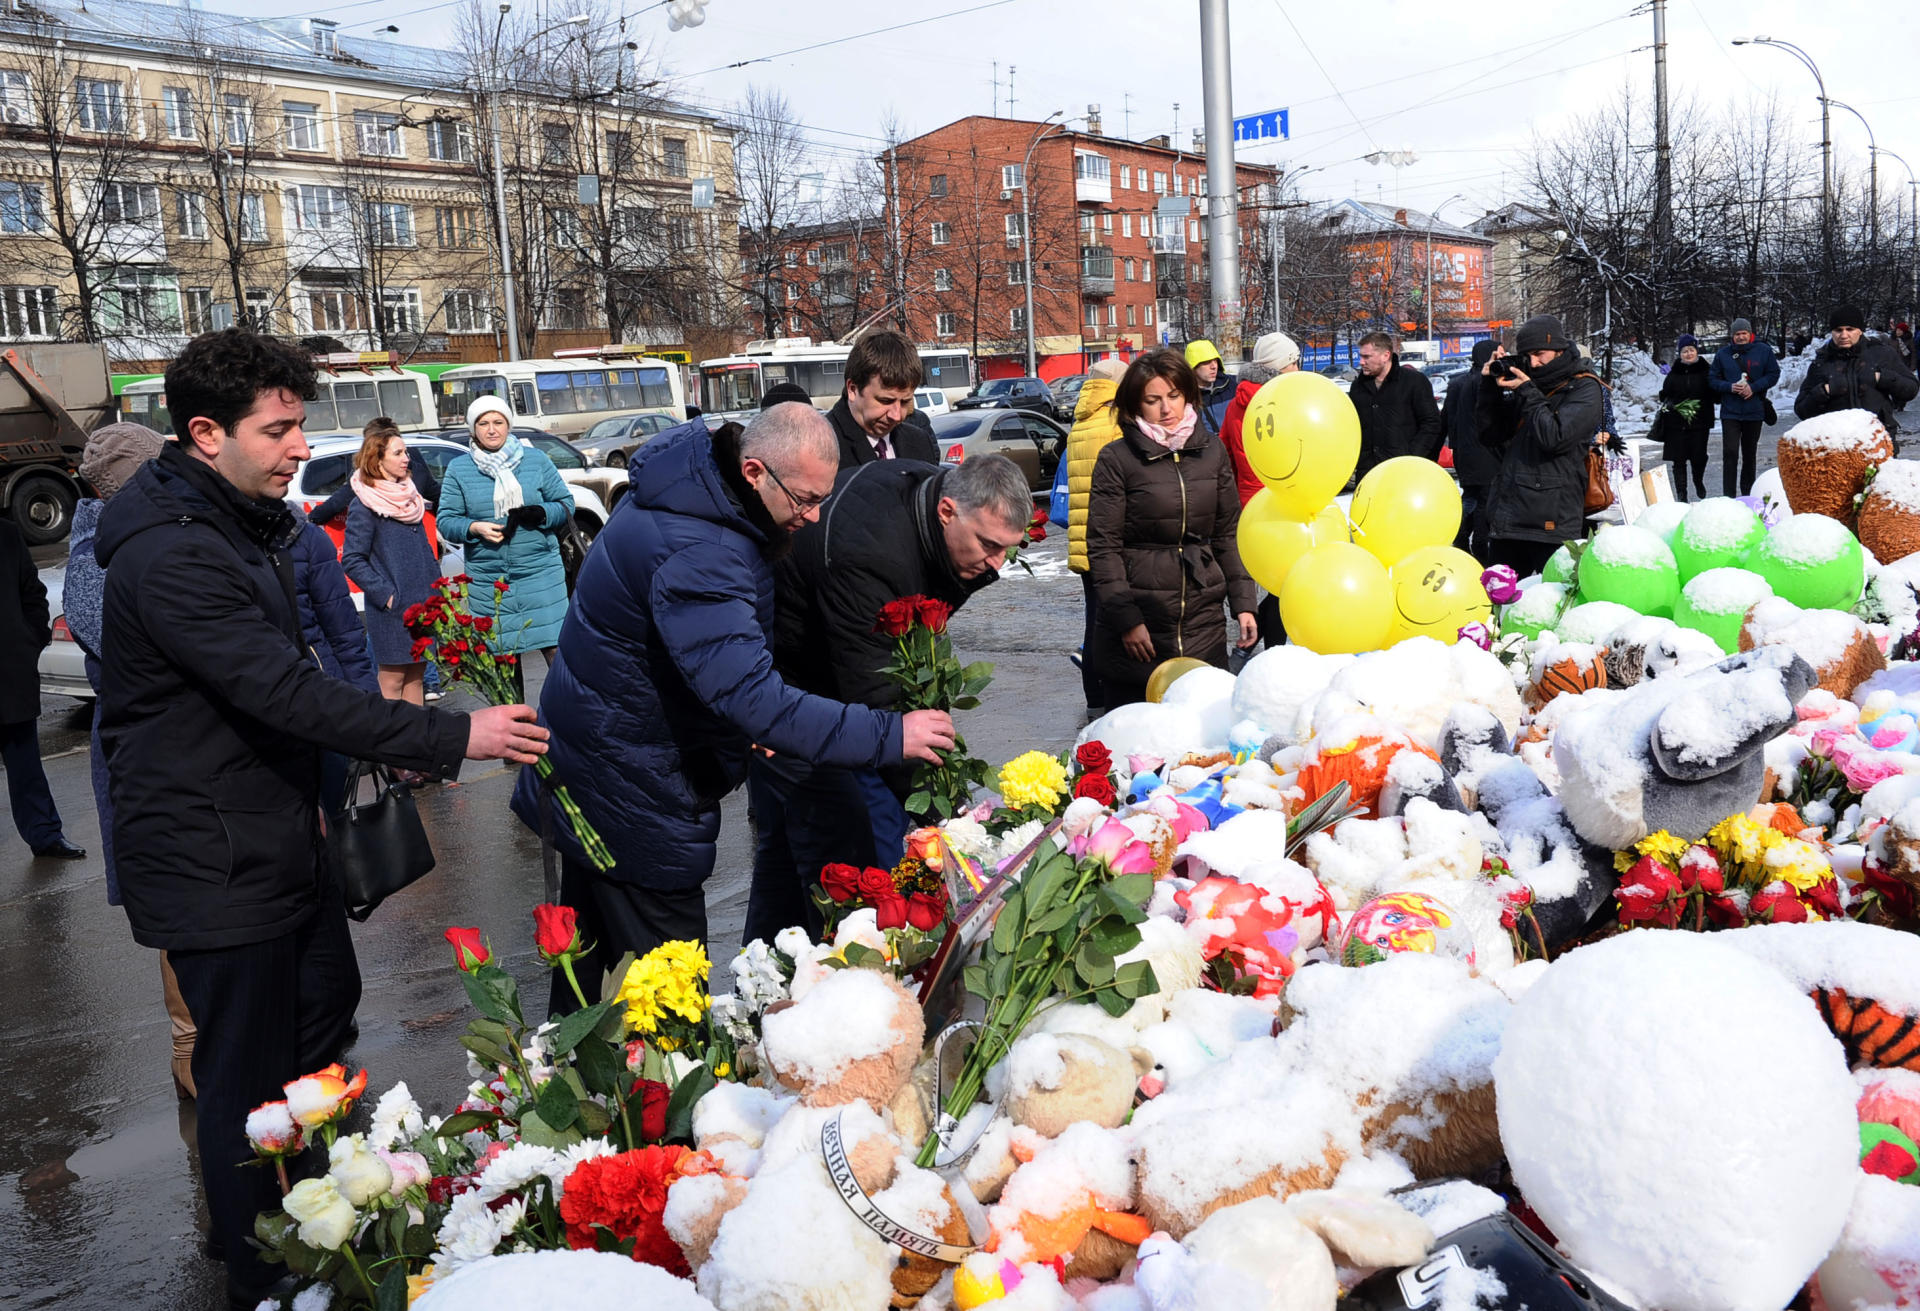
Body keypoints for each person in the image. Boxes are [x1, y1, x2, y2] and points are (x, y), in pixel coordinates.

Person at [93, 328, 549, 1309]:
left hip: (272, 841)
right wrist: (440, 736)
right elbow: (276, 690)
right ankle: (270, 1282)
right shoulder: (172, 551)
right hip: (214, 862)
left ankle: (321, 1243)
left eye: (302, 424)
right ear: (205, 433)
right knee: (248, 1091)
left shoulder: (240, 519)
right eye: (283, 428)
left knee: (313, 1054)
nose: (303, 447)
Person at [510, 405, 957, 1014]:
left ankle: (564, 1090)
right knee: (667, 999)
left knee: (594, 978)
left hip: (605, 758)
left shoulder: (699, 499)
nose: (814, 516)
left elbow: (711, 660)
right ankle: (642, 1104)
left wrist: (736, 721)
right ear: (753, 471)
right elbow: (751, 694)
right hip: (631, 780)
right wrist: (889, 733)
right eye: (803, 499)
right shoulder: (702, 546)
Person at [751, 452, 1031, 941]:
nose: (996, 565)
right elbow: (878, 693)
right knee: (851, 861)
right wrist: (938, 815)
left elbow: (920, 641)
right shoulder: (872, 553)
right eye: (988, 545)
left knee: (786, 853)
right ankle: (836, 974)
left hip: (832, 678)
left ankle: (764, 975)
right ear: (947, 511)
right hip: (795, 693)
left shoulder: (932, 501)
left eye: (1007, 549)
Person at [65, 423, 191, 1092]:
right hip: (144, 753)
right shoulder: (96, 544)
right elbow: (109, 632)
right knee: (173, 898)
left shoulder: (149, 527)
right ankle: (189, 1050)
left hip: (176, 748)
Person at [1086, 349, 1258, 706]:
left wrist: (1244, 603)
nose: (1166, 409)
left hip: (1202, 621)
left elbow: (1228, 534)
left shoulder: (1211, 451)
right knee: (1138, 742)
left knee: (1202, 740)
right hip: (1141, 625)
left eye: (1174, 396)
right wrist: (1126, 620)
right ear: (1136, 405)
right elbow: (1104, 547)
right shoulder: (1117, 459)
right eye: (1153, 400)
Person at [437, 396, 574, 668]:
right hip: (490, 584)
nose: (491, 429)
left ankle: (565, 712)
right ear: (472, 429)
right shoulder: (459, 469)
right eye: (483, 423)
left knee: (560, 664)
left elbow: (565, 504)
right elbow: (446, 521)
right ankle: (517, 713)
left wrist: (542, 513)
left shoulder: (535, 460)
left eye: (498, 422)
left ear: (508, 425)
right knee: (505, 671)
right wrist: (474, 528)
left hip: (540, 575)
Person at [1474, 315, 1607, 576]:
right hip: (1510, 517)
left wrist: (1527, 391)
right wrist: (1489, 387)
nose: (1534, 363)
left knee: (1555, 602)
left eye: (1539, 353)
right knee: (1500, 602)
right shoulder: (1531, 387)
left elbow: (1554, 437)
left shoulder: (1584, 387)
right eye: (1528, 356)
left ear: (1559, 349)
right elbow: (1490, 435)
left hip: (1553, 520)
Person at [342, 420, 441, 708]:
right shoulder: (365, 503)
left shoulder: (409, 497)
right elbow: (352, 559)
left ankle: (417, 746)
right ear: (378, 459)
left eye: (405, 452)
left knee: (416, 678)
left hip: (424, 602)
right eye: (398, 453)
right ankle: (393, 749)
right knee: (392, 681)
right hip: (393, 610)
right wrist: (386, 595)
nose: (406, 458)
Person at [0, 511, 82, 862]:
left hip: (7, 671)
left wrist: (29, 640)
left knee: (25, 763)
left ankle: (45, 835)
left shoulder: (5, 535)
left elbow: (31, 593)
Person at [1218, 331, 1302, 647]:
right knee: (1286, 584)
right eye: (1293, 363)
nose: (1297, 369)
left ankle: (1255, 641)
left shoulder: (1236, 404)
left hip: (1248, 506)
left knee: (1267, 582)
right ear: (1280, 367)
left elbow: (1224, 455)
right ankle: (1263, 647)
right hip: (1283, 505)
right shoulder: (1284, 402)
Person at [1064, 357, 1131, 716]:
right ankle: (1112, 699)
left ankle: (1093, 699)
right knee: (1116, 623)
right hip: (1111, 540)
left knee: (1093, 622)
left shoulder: (1081, 421)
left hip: (1083, 540)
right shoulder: (1116, 423)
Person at [1795, 306, 1920, 437]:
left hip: (1878, 441)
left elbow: (1911, 389)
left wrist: (1882, 378)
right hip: (1836, 443)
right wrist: (1824, 391)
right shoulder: (1822, 362)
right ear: (1832, 332)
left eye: (1850, 329)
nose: (1844, 335)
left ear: (1860, 331)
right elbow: (1802, 410)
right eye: (1838, 330)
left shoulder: (1882, 353)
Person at [827, 330, 940, 467]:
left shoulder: (919, 442)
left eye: (905, 402)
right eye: (886, 401)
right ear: (853, 389)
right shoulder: (820, 445)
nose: (896, 416)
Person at [1350, 331, 1442, 478]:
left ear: (1386, 356)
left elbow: (1431, 423)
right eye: (1361, 356)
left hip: (1405, 473)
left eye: (1366, 357)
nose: (1361, 362)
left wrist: (1412, 457)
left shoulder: (1414, 382)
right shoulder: (1357, 387)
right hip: (1368, 474)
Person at [1443, 340, 1501, 560]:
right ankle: (1478, 544)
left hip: (1463, 453)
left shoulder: (1458, 383)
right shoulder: (1485, 383)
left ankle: (1459, 536)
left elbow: (1447, 418)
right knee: (1485, 501)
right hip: (1485, 454)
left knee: (1470, 497)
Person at [1709, 317, 1780, 497]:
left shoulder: (1763, 351)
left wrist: (1754, 388)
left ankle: (1747, 494)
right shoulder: (1722, 354)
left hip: (1754, 411)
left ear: (1750, 334)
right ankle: (1729, 496)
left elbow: (1773, 374)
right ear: (1732, 336)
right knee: (1730, 453)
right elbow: (1712, 379)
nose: (1740, 337)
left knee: (1750, 454)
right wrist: (1729, 387)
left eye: (1744, 333)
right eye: (1737, 334)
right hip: (1730, 412)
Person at [1657, 334, 1716, 502]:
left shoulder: (1707, 371)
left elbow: (1715, 393)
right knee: (1678, 459)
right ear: (1680, 354)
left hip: (1700, 421)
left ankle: (1698, 480)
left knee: (1699, 456)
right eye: (1684, 351)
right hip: (1676, 422)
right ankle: (1681, 495)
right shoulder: (1674, 373)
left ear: (1696, 351)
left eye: (1691, 350)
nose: (1688, 354)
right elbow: (1665, 394)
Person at [1184, 338, 1236, 434]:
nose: (1213, 366)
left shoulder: (1232, 385)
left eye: (1215, 361)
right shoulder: (1185, 396)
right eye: (1207, 362)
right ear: (1193, 367)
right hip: (1207, 447)